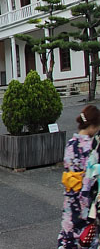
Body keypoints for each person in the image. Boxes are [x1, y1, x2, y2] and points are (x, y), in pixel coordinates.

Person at [58, 105, 100, 248]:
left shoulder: (71, 144)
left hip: (71, 198)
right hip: (86, 198)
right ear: (93, 126)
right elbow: (92, 177)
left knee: (69, 234)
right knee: (87, 236)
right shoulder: (92, 148)